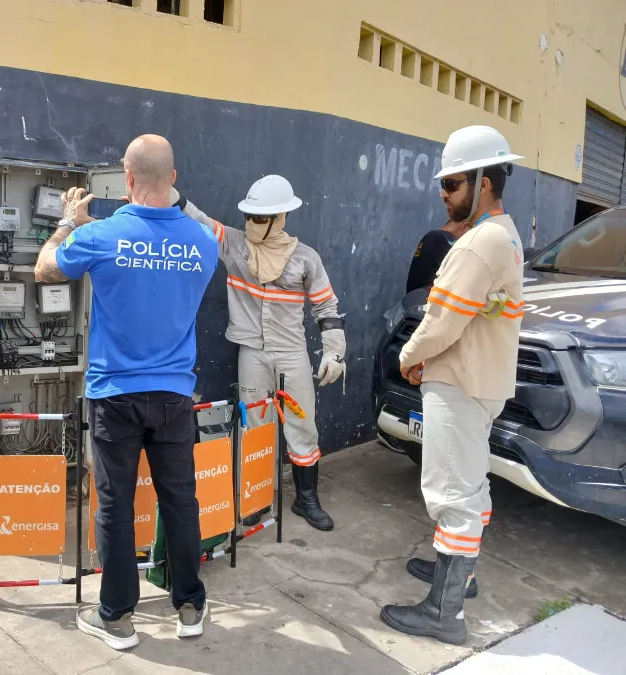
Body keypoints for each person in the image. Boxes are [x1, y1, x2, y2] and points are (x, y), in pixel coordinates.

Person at [34, 134, 218, 650]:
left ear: (128, 178)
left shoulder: (103, 235)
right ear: (173, 179)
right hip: (174, 394)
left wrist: (69, 221)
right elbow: (161, 260)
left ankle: (116, 617)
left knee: (114, 504)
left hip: (114, 392)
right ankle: (190, 605)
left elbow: (45, 268)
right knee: (180, 499)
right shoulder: (204, 241)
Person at [380, 125, 525, 645]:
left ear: (484, 182)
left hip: (460, 384)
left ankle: (444, 614)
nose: (444, 193)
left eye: (452, 183)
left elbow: (441, 319)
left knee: (451, 494)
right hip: (479, 380)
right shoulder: (503, 234)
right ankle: (459, 577)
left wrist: (409, 357)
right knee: (471, 484)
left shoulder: (479, 243)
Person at [174, 175, 346, 532]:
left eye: (260, 218)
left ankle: (306, 498)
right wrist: (171, 195)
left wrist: (334, 353)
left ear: (279, 218)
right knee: (256, 426)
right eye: (250, 216)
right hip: (252, 352)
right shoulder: (234, 244)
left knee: (302, 424)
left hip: (291, 353)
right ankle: (257, 498)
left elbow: (326, 307)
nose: (252, 223)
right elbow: (201, 220)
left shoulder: (305, 258)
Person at [405, 219, 470, 294]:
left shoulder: (434, 236)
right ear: (464, 225)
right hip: (428, 297)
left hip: (417, 296)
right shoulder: (444, 239)